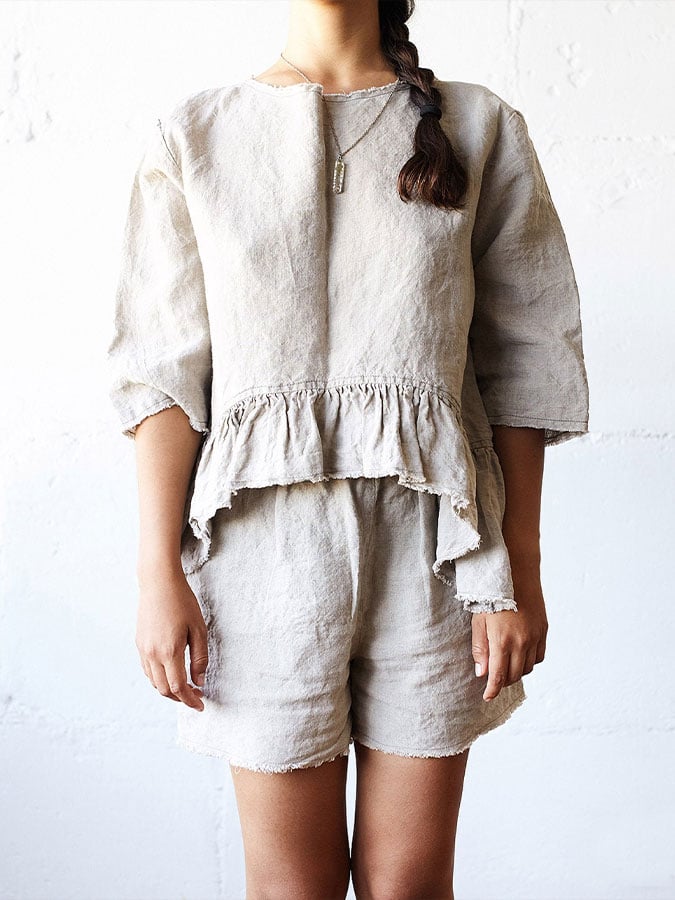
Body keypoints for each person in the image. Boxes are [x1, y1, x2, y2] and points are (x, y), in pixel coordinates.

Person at [106, 1, 590, 897]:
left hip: (439, 553)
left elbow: (525, 361)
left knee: (409, 885)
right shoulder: (195, 133)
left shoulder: (478, 125)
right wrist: (155, 573)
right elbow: (164, 375)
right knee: (292, 888)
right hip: (258, 551)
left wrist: (516, 569)